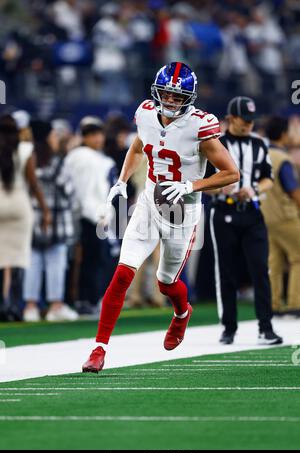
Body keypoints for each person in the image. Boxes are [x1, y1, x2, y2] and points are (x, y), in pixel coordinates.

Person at [82, 61, 239, 373]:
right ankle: (99, 348)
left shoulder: (200, 126)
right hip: (150, 202)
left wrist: (192, 185)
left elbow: (231, 173)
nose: (169, 101)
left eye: (177, 96)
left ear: (189, 98)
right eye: (166, 94)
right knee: (123, 273)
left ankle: (182, 312)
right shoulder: (145, 114)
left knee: (166, 283)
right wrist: (122, 181)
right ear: (157, 92)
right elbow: (139, 147)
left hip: (183, 211)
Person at [207, 96, 283, 345]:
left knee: (260, 269)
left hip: (252, 213)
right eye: (244, 119)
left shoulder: (260, 144)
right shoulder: (216, 143)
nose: (249, 124)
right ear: (231, 118)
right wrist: (220, 189)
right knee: (226, 271)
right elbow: (201, 183)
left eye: (252, 120)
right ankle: (228, 327)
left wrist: (254, 190)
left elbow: (268, 178)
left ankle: (266, 327)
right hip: (224, 212)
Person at [23, 119, 78, 321]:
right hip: (56, 220)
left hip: (31, 219)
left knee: (33, 263)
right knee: (56, 262)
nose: (56, 139)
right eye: (53, 135)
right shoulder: (56, 161)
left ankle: (30, 307)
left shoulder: (25, 158)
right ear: (47, 137)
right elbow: (70, 191)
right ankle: (55, 306)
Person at [64, 116, 119, 315]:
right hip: (92, 215)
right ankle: (88, 299)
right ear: (84, 137)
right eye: (92, 135)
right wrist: (97, 215)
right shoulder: (84, 157)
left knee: (94, 260)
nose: (97, 139)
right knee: (93, 260)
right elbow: (85, 192)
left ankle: (88, 299)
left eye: (99, 135)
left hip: (94, 214)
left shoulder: (97, 158)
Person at [0, 115, 50, 321]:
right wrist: (45, 211)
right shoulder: (25, 150)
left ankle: (1, 307)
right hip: (20, 205)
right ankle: (15, 306)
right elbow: (33, 183)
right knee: (19, 260)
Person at [261, 116, 300, 316]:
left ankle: (273, 304)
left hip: (265, 215)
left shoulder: (261, 153)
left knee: (273, 262)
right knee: (298, 257)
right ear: (284, 134)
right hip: (285, 216)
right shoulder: (283, 158)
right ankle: (296, 303)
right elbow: (293, 190)